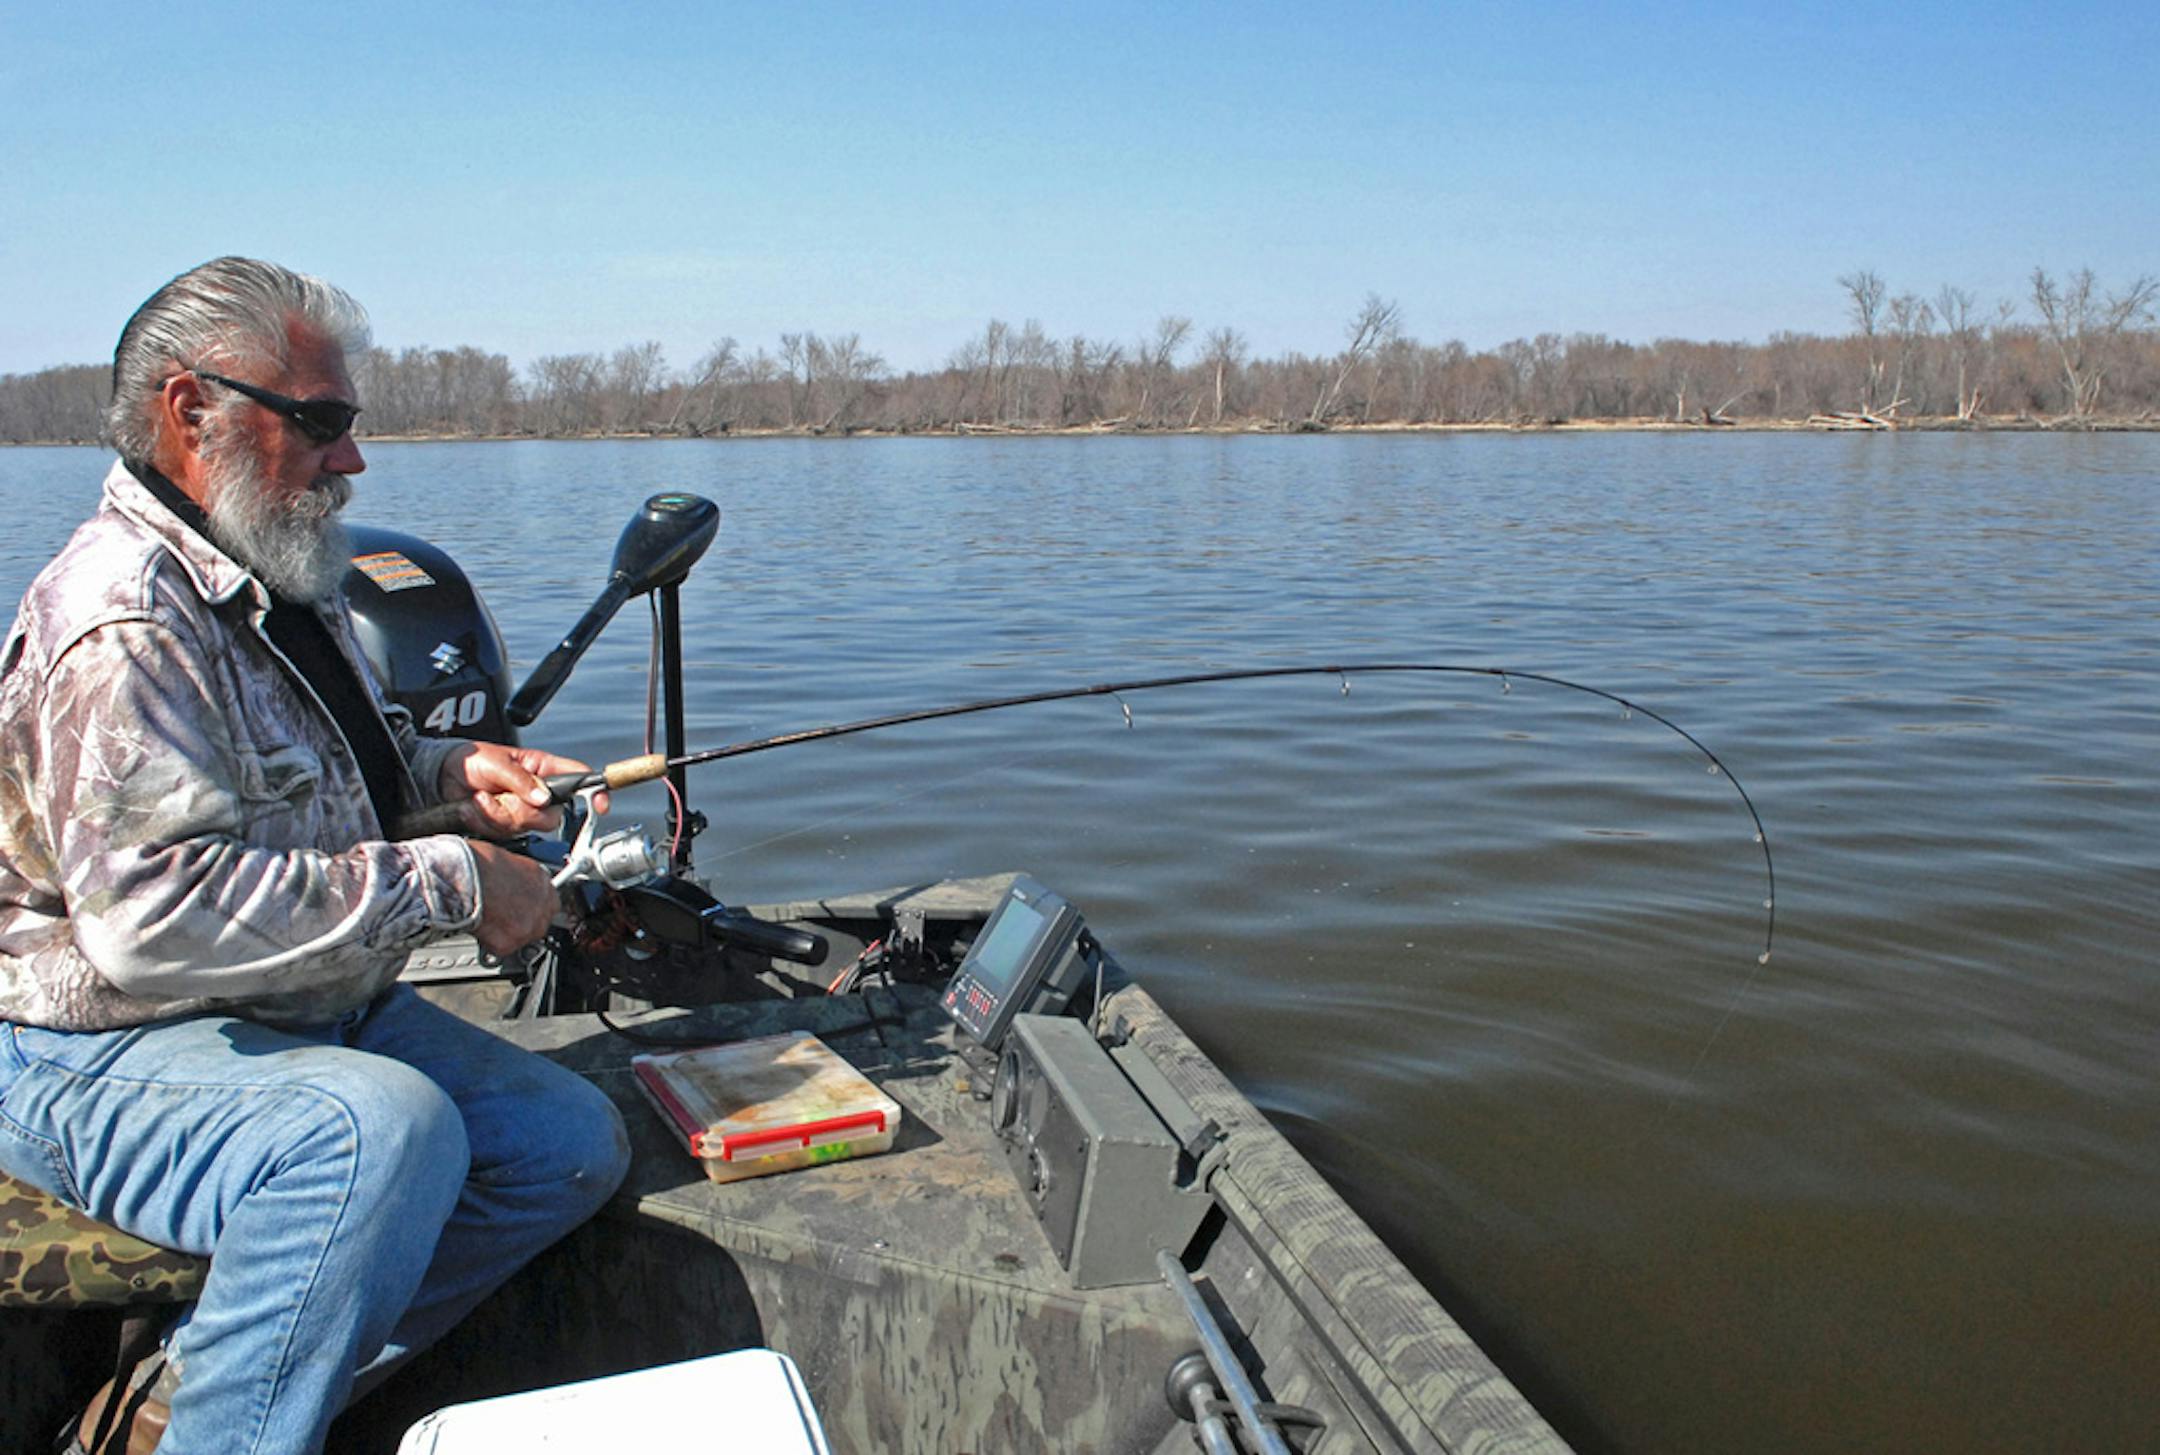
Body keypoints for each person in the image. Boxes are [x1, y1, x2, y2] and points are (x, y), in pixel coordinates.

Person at [0, 258, 631, 1454]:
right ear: (191, 411)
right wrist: (458, 881)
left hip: (285, 1005)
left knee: (564, 1150)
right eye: (323, 423)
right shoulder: (123, 618)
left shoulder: (278, 567)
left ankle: (189, 1408)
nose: (352, 460)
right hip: (92, 1048)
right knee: (372, 1134)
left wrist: (454, 782)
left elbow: (333, 773)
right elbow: (149, 922)